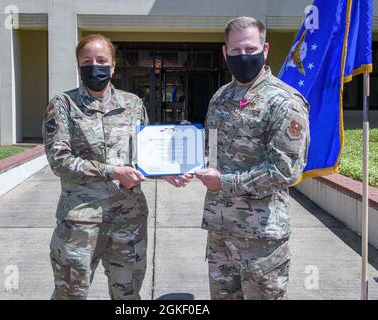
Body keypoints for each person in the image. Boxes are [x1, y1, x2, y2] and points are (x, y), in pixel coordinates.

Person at [43, 34, 189, 300]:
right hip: (80, 221)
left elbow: (143, 156)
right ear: (78, 66)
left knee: (128, 295)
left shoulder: (133, 104)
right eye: (87, 61)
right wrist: (113, 172)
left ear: (113, 67)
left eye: (102, 60)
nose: (94, 66)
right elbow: (59, 160)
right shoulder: (63, 104)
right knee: (70, 294)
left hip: (129, 218)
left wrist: (164, 170)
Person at [195, 17, 310, 300]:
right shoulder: (221, 97)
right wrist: (184, 162)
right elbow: (213, 152)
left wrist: (225, 183)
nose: (242, 56)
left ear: (265, 49)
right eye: (235, 51)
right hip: (221, 232)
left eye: (250, 49)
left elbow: (286, 169)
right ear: (225, 53)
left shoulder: (284, 101)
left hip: (261, 239)